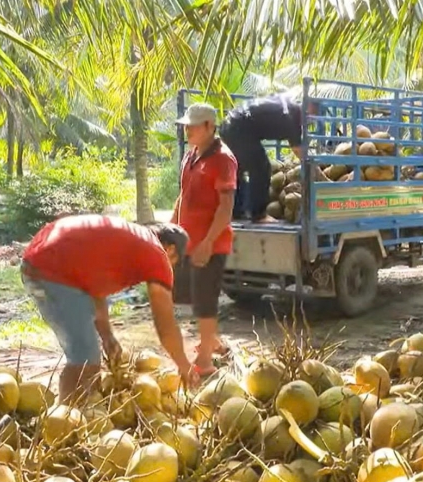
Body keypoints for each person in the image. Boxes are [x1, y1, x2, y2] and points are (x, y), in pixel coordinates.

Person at [20, 214, 199, 403]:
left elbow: (95, 288)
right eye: (176, 261)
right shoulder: (156, 253)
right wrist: (183, 364)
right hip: (53, 270)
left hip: (39, 259)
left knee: (85, 357)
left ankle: (72, 412)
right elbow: (165, 324)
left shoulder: (133, 239)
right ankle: (67, 421)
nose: (171, 267)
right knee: (85, 361)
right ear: (170, 249)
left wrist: (107, 335)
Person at [172, 103, 237, 377]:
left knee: (205, 300)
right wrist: (171, 230)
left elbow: (225, 207)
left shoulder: (223, 159)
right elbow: (183, 195)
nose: (187, 130)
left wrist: (209, 242)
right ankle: (213, 340)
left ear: (210, 126)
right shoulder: (191, 156)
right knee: (187, 295)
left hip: (210, 244)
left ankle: (206, 363)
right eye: (185, 125)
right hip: (188, 240)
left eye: (192, 126)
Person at [219, 93, 305, 223]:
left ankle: (236, 212)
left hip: (228, 124)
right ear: (309, 109)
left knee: (238, 169)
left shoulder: (284, 102)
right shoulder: (293, 117)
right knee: (261, 167)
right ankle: (258, 215)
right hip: (240, 129)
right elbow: (298, 151)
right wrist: (314, 168)